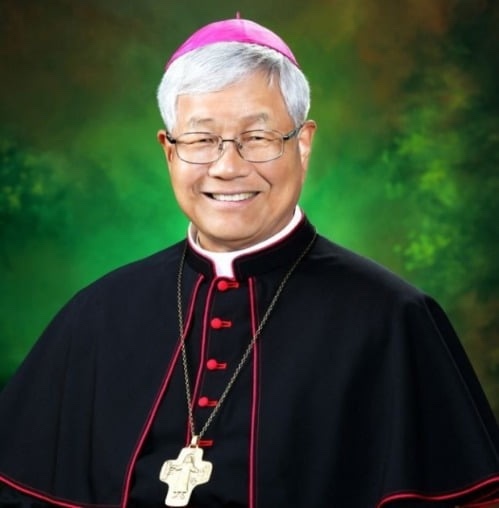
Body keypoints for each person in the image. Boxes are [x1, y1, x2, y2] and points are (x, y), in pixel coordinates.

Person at [0, 15, 498, 508]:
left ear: (303, 144)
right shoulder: (99, 313)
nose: (227, 166)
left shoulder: (393, 318)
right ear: (168, 151)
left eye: (258, 138)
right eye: (201, 139)